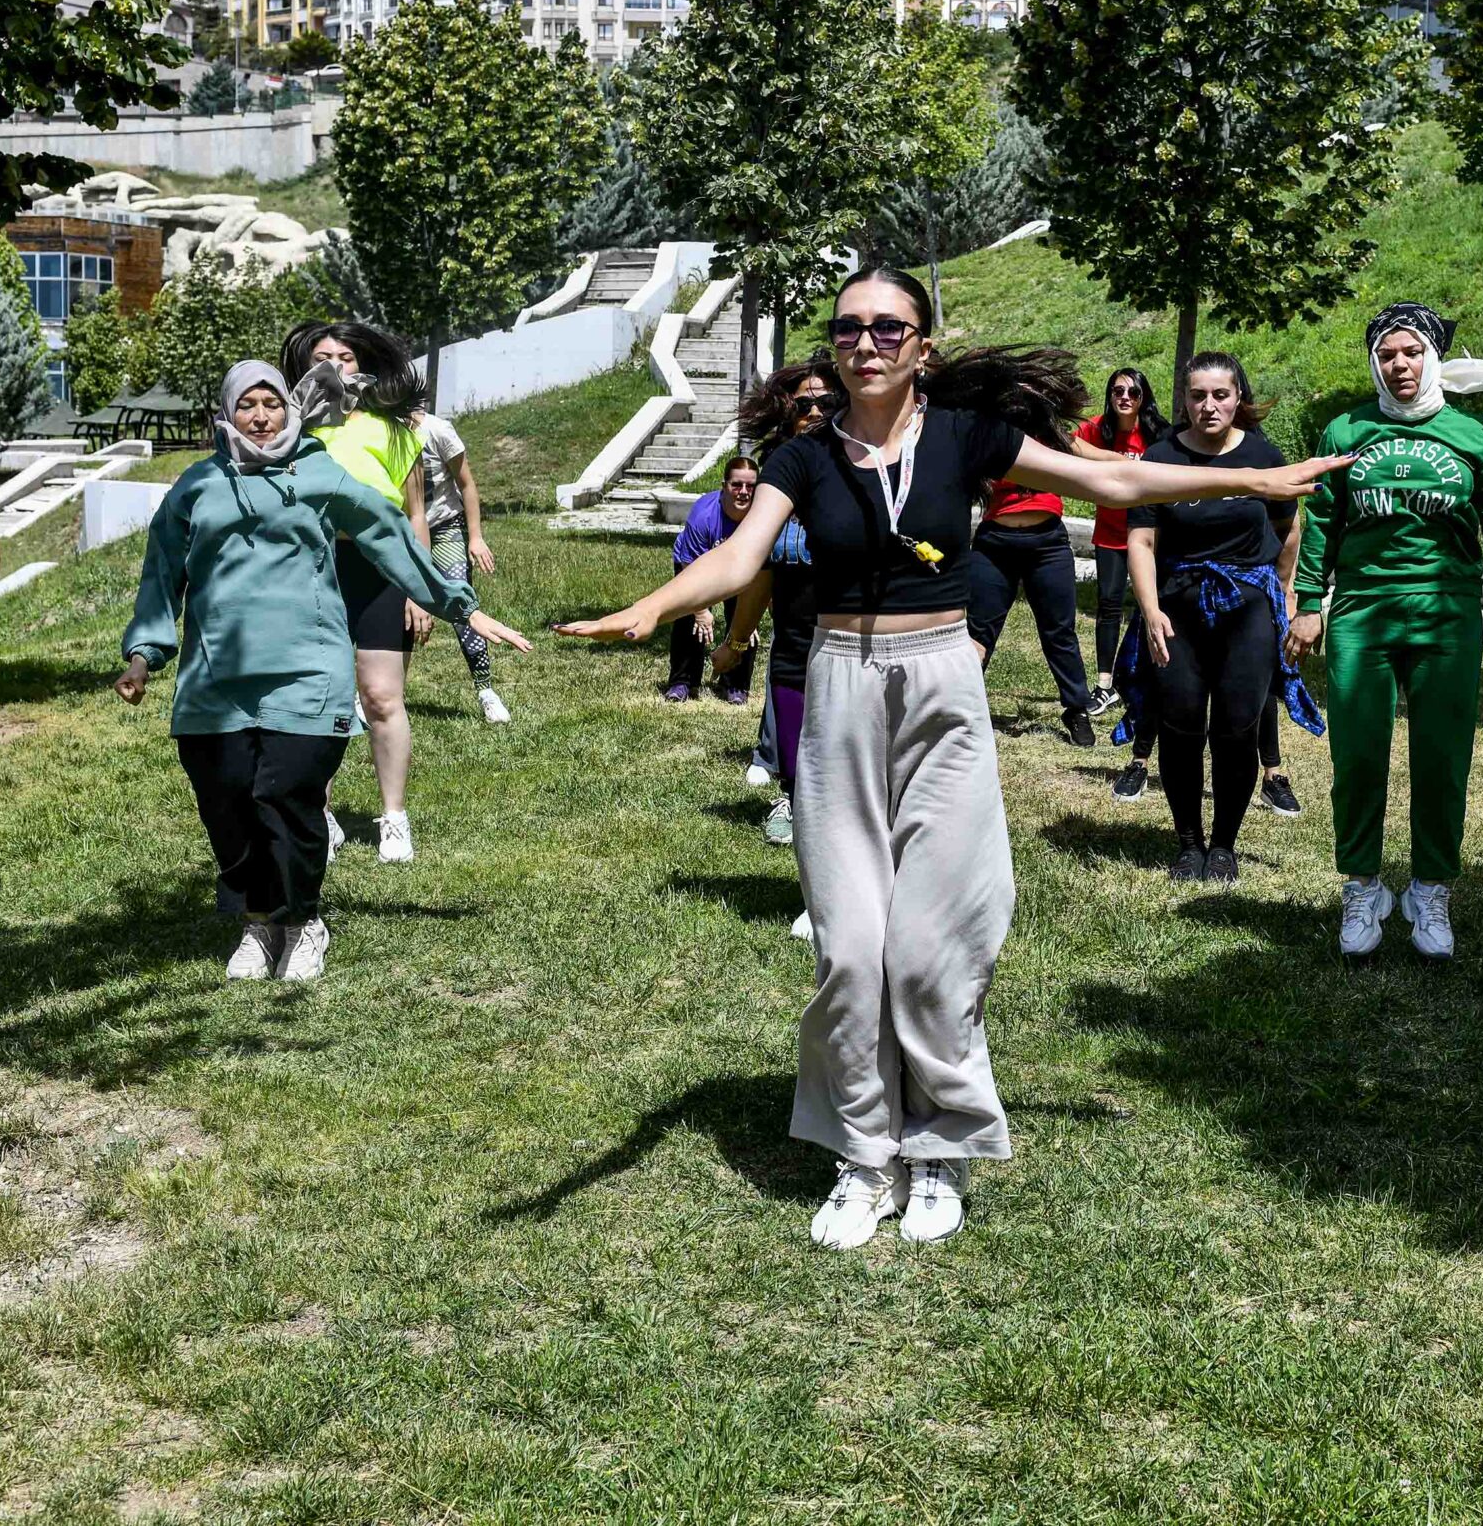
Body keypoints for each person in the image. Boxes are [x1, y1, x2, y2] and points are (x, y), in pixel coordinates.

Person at [558, 265, 1345, 1250]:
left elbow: (1111, 479)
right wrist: (654, 606)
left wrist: (1252, 479)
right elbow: (739, 556)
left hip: (939, 683)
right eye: (849, 328)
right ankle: (861, 1154)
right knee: (849, 952)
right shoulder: (805, 457)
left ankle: (938, 1145)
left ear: (923, 346)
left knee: (932, 950)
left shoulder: (970, 439)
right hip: (841, 686)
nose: (866, 342)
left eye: (889, 328)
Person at [117, 363, 530, 981]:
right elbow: (161, 573)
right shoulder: (197, 486)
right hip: (215, 680)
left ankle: (303, 920)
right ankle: (260, 921)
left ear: (290, 409)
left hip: (307, 671)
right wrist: (144, 655)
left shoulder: (316, 472)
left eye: (273, 404)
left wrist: (458, 604)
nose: (261, 417)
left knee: (286, 796)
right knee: (227, 803)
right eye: (248, 406)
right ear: (228, 413)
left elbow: (390, 534)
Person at [1289, 303, 1483, 959]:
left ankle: (1430, 888)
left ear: (1433, 358)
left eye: (1412, 352)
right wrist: (1309, 601)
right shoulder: (1345, 429)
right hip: (1362, 613)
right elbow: (1320, 519)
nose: (1400, 364)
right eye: (1388, 354)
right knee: (1359, 753)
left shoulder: (1473, 437)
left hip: (1446, 612)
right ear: (1375, 361)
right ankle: (1363, 885)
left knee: (1441, 755)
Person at [1119, 352, 1320, 884]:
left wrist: (1284, 594)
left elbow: (1289, 526)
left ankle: (1224, 845)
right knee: (1181, 724)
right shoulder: (1159, 459)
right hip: (1177, 607)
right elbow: (1140, 540)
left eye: (1221, 395)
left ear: (1238, 398)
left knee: (1237, 727)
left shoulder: (1262, 457)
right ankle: (1188, 842)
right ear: (1183, 400)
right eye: (1198, 395)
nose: (1209, 406)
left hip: (1247, 609)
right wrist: (1150, 608)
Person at [283, 321, 433, 864]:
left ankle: (394, 817)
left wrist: (419, 589)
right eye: (322, 357)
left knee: (382, 697)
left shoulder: (393, 429)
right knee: (316, 699)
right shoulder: (292, 430)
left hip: (379, 565)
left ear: (363, 363)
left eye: (345, 356)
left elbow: (415, 515)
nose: (334, 366)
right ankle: (318, 815)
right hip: (312, 567)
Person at [715, 358, 838, 885]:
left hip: (847, 646)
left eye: (824, 403)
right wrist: (736, 642)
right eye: (802, 404)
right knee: (794, 753)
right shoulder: (777, 486)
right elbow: (759, 573)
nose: (813, 412)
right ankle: (790, 801)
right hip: (792, 647)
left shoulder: (859, 475)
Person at [963, 446, 1096, 749]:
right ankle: (958, 705)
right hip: (995, 542)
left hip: (1048, 543)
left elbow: (1092, 457)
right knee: (979, 631)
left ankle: (1077, 710)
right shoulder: (991, 434)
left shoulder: (1050, 435)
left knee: (1060, 631)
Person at [409, 404, 511, 725]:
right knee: (392, 610)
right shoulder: (379, 431)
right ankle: (377, 694)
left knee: (462, 607)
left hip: (444, 528)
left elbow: (467, 484)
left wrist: (476, 537)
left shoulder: (438, 431)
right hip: (400, 531)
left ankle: (486, 691)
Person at [1073, 367, 1164, 720]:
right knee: (1108, 605)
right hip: (1110, 533)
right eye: (1117, 391)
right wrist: (1112, 459)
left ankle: (1143, 677)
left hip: (1149, 535)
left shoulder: (1157, 432)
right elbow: (1067, 439)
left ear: (1144, 397)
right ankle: (1105, 685)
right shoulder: (1099, 429)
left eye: (1133, 392)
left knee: (1149, 607)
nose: (1124, 397)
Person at [663, 459, 759, 704]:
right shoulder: (703, 515)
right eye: (736, 485)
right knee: (688, 615)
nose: (744, 492)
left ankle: (735, 685)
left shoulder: (761, 515)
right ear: (724, 486)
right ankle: (682, 681)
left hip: (740, 570)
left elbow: (763, 569)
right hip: (696, 567)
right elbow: (690, 571)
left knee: (744, 625)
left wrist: (751, 614)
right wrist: (701, 611)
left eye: (750, 486)